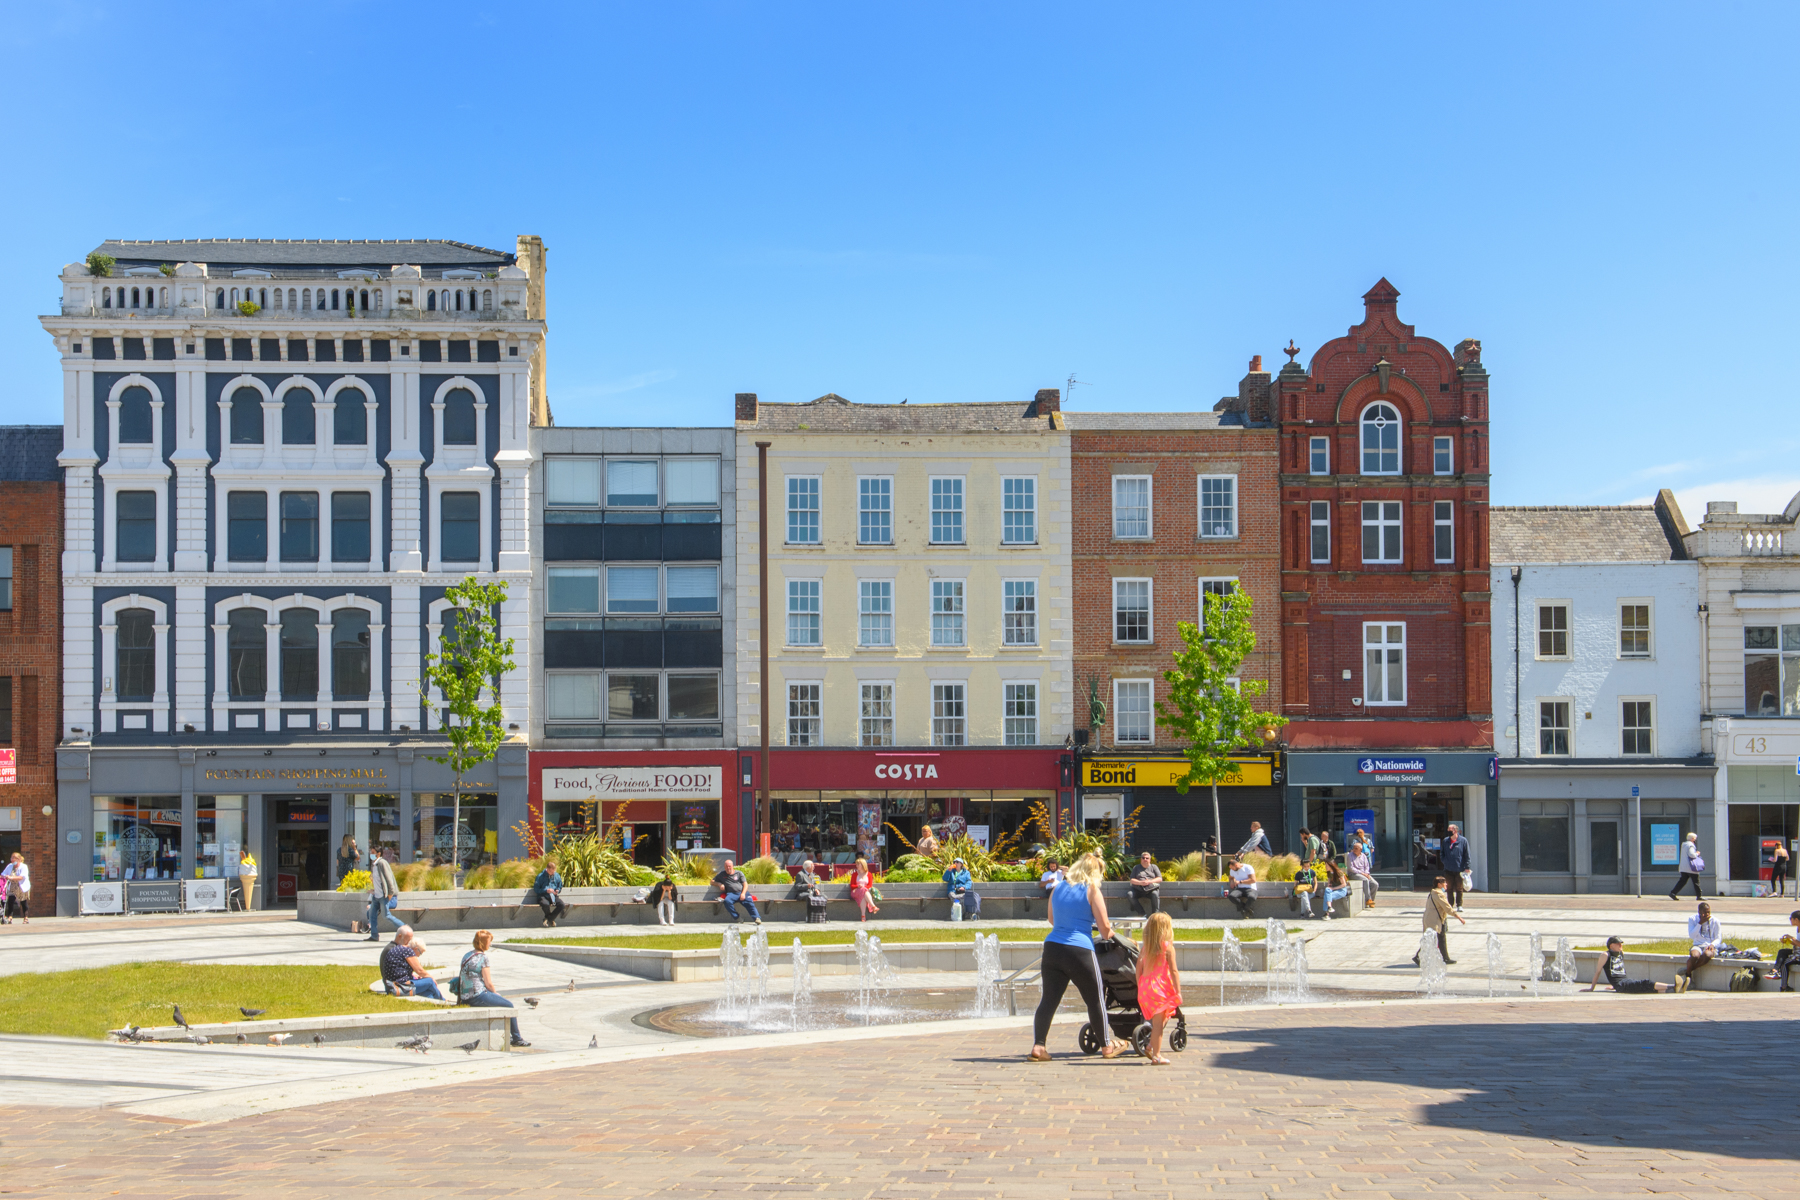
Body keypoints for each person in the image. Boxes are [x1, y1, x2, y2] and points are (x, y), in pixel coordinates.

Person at [1027, 852, 1126, 1062]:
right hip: (1079, 950)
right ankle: (1107, 1045)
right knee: (1095, 999)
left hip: (1053, 948)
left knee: (1048, 1000)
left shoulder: (1058, 887)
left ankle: (1039, 1046)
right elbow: (1105, 928)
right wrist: (1115, 936)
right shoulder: (1092, 890)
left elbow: (1051, 919)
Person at [459, 929, 529, 1048]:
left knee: (502, 1002)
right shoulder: (483, 958)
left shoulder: (467, 955)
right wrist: (496, 994)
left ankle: (511, 1036)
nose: (490, 944)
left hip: (465, 996)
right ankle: (517, 1038)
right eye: (489, 942)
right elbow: (488, 983)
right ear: (483, 943)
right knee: (509, 1005)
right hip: (477, 996)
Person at [1136, 911, 1182, 1066]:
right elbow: (1174, 971)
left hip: (1146, 988)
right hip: (1159, 990)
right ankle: (1156, 1055)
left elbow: (1138, 968)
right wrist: (1178, 991)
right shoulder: (1168, 948)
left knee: (1162, 1018)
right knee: (1158, 1025)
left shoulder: (1145, 948)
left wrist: (1140, 985)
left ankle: (1150, 1045)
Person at [1588, 936, 1677, 994]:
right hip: (1621, 984)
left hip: (1625, 981)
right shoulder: (1605, 955)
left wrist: (1613, 985)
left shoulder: (1620, 953)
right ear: (1611, 946)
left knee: (1648, 989)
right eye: (1618, 944)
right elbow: (1598, 972)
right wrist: (1591, 988)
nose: (1620, 945)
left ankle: (1674, 990)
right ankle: (1673, 986)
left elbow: (1618, 971)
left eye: (1621, 943)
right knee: (1646, 983)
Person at [380, 926, 445, 1000]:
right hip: (401, 986)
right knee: (429, 982)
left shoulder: (396, 948)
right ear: (416, 949)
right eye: (420, 953)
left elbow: (398, 970)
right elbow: (420, 971)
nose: (418, 956)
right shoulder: (407, 951)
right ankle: (443, 1000)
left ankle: (436, 1003)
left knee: (428, 993)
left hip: (391, 986)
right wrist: (432, 978)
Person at [1413, 875, 1464, 966]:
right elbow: (1447, 908)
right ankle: (1418, 957)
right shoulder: (1439, 894)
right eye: (1444, 883)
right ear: (1439, 884)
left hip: (1433, 918)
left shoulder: (1433, 892)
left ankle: (1445, 958)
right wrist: (1459, 917)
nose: (1446, 884)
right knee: (1432, 939)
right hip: (1434, 920)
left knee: (1439, 938)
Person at [1679, 901, 1722, 983]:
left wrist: (1713, 944)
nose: (1707, 915)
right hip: (1697, 945)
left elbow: (1718, 938)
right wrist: (1699, 923)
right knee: (1694, 956)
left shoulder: (1715, 921)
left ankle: (1688, 970)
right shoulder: (1692, 919)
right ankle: (1689, 978)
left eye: (1708, 912)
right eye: (1704, 913)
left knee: (1707, 954)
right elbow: (1692, 936)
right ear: (1699, 912)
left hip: (1709, 945)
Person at [366, 847, 401, 941]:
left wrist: (390, 893)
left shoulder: (382, 863)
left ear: (378, 854)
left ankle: (405, 928)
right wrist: (373, 890)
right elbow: (378, 881)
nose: (371, 854)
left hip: (383, 895)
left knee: (386, 915)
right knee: (371, 914)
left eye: (373, 852)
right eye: (370, 852)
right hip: (376, 896)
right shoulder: (374, 865)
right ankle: (374, 936)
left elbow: (389, 879)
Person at [713, 859, 761, 924]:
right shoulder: (722, 874)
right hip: (731, 894)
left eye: (729, 866)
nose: (728, 868)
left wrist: (743, 893)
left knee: (750, 903)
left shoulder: (739, 873)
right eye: (726, 866)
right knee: (727, 901)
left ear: (732, 866)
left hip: (742, 892)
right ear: (724, 867)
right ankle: (737, 917)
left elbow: (745, 884)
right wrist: (719, 884)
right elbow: (712, 882)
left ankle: (757, 918)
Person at [1440, 824, 1470, 911]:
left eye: (1450, 830)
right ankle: (1450, 905)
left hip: (1459, 869)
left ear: (1455, 831)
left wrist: (1467, 866)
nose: (1448, 831)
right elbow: (1442, 853)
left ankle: (1459, 905)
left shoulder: (1463, 841)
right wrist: (1445, 861)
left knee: (1459, 888)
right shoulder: (1445, 841)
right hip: (1448, 869)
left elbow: (1467, 854)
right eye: (1448, 829)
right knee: (1449, 888)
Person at [534, 856, 568, 928]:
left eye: (554, 871)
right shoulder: (540, 876)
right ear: (547, 869)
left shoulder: (556, 875)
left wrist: (557, 890)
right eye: (551, 872)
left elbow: (560, 885)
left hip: (553, 895)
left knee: (561, 905)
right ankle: (551, 920)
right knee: (545, 904)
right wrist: (546, 890)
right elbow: (536, 889)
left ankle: (549, 919)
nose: (553, 873)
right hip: (543, 896)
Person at [1669, 832, 1704, 901]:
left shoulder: (1684, 845)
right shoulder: (1691, 845)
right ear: (1693, 839)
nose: (1695, 840)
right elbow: (1691, 854)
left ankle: (1673, 893)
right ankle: (1699, 896)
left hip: (1683, 867)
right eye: (1695, 839)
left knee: (1682, 881)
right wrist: (1697, 854)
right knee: (1696, 881)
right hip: (1691, 867)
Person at [1129, 851, 1163, 917]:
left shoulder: (1154, 867)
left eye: (1147, 858)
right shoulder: (1136, 868)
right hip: (1138, 889)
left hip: (1150, 889)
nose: (1145, 859)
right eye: (1143, 858)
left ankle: (1154, 915)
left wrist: (1149, 882)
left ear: (1149, 860)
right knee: (1130, 894)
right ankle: (1142, 913)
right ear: (1141, 859)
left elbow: (1159, 879)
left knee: (1155, 894)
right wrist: (1140, 883)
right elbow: (1132, 880)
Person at [1773, 910, 1800, 992]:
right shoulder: (1798, 928)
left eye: (1790, 918)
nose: (1790, 920)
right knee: (1782, 952)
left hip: (1798, 955)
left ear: (1796, 919)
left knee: (1785, 963)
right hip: (1797, 951)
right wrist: (1788, 941)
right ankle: (1775, 969)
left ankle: (1784, 987)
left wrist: (1791, 939)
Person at [1348, 839, 1379, 910]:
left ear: (1360, 849)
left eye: (1356, 848)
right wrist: (1363, 873)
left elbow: (1367, 866)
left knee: (1375, 884)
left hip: (1364, 873)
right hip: (1354, 874)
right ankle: (1368, 899)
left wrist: (1366, 873)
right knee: (1365, 880)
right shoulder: (1350, 856)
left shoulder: (1364, 856)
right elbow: (1351, 868)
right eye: (1354, 848)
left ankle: (1371, 900)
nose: (1354, 850)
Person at [849, 856, 880, 922]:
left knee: (863, 894)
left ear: (863, 865)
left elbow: (870, 885)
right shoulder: (855, 874)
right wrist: (858, 886)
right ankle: (873, 906)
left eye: (858, 864)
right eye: (856, 864)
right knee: (863, 891)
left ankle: (863, 916)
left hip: (865, 892)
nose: (856, 865)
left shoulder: (869, 874)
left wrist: (863, 887)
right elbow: (852, 886)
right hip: (855, 891)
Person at [1, 852, 29, 924]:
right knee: (10, 900)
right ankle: (10, 917)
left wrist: (11, 877)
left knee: (23, 901)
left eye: (14, 859)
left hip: (21, 885)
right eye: (11, 858)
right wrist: (5, 876)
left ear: (18, 859)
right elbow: (3, 874)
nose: (12, 860)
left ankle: (26, 917)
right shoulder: (10, 866)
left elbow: (22, 877)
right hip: (13, 886)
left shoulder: (24, 866)